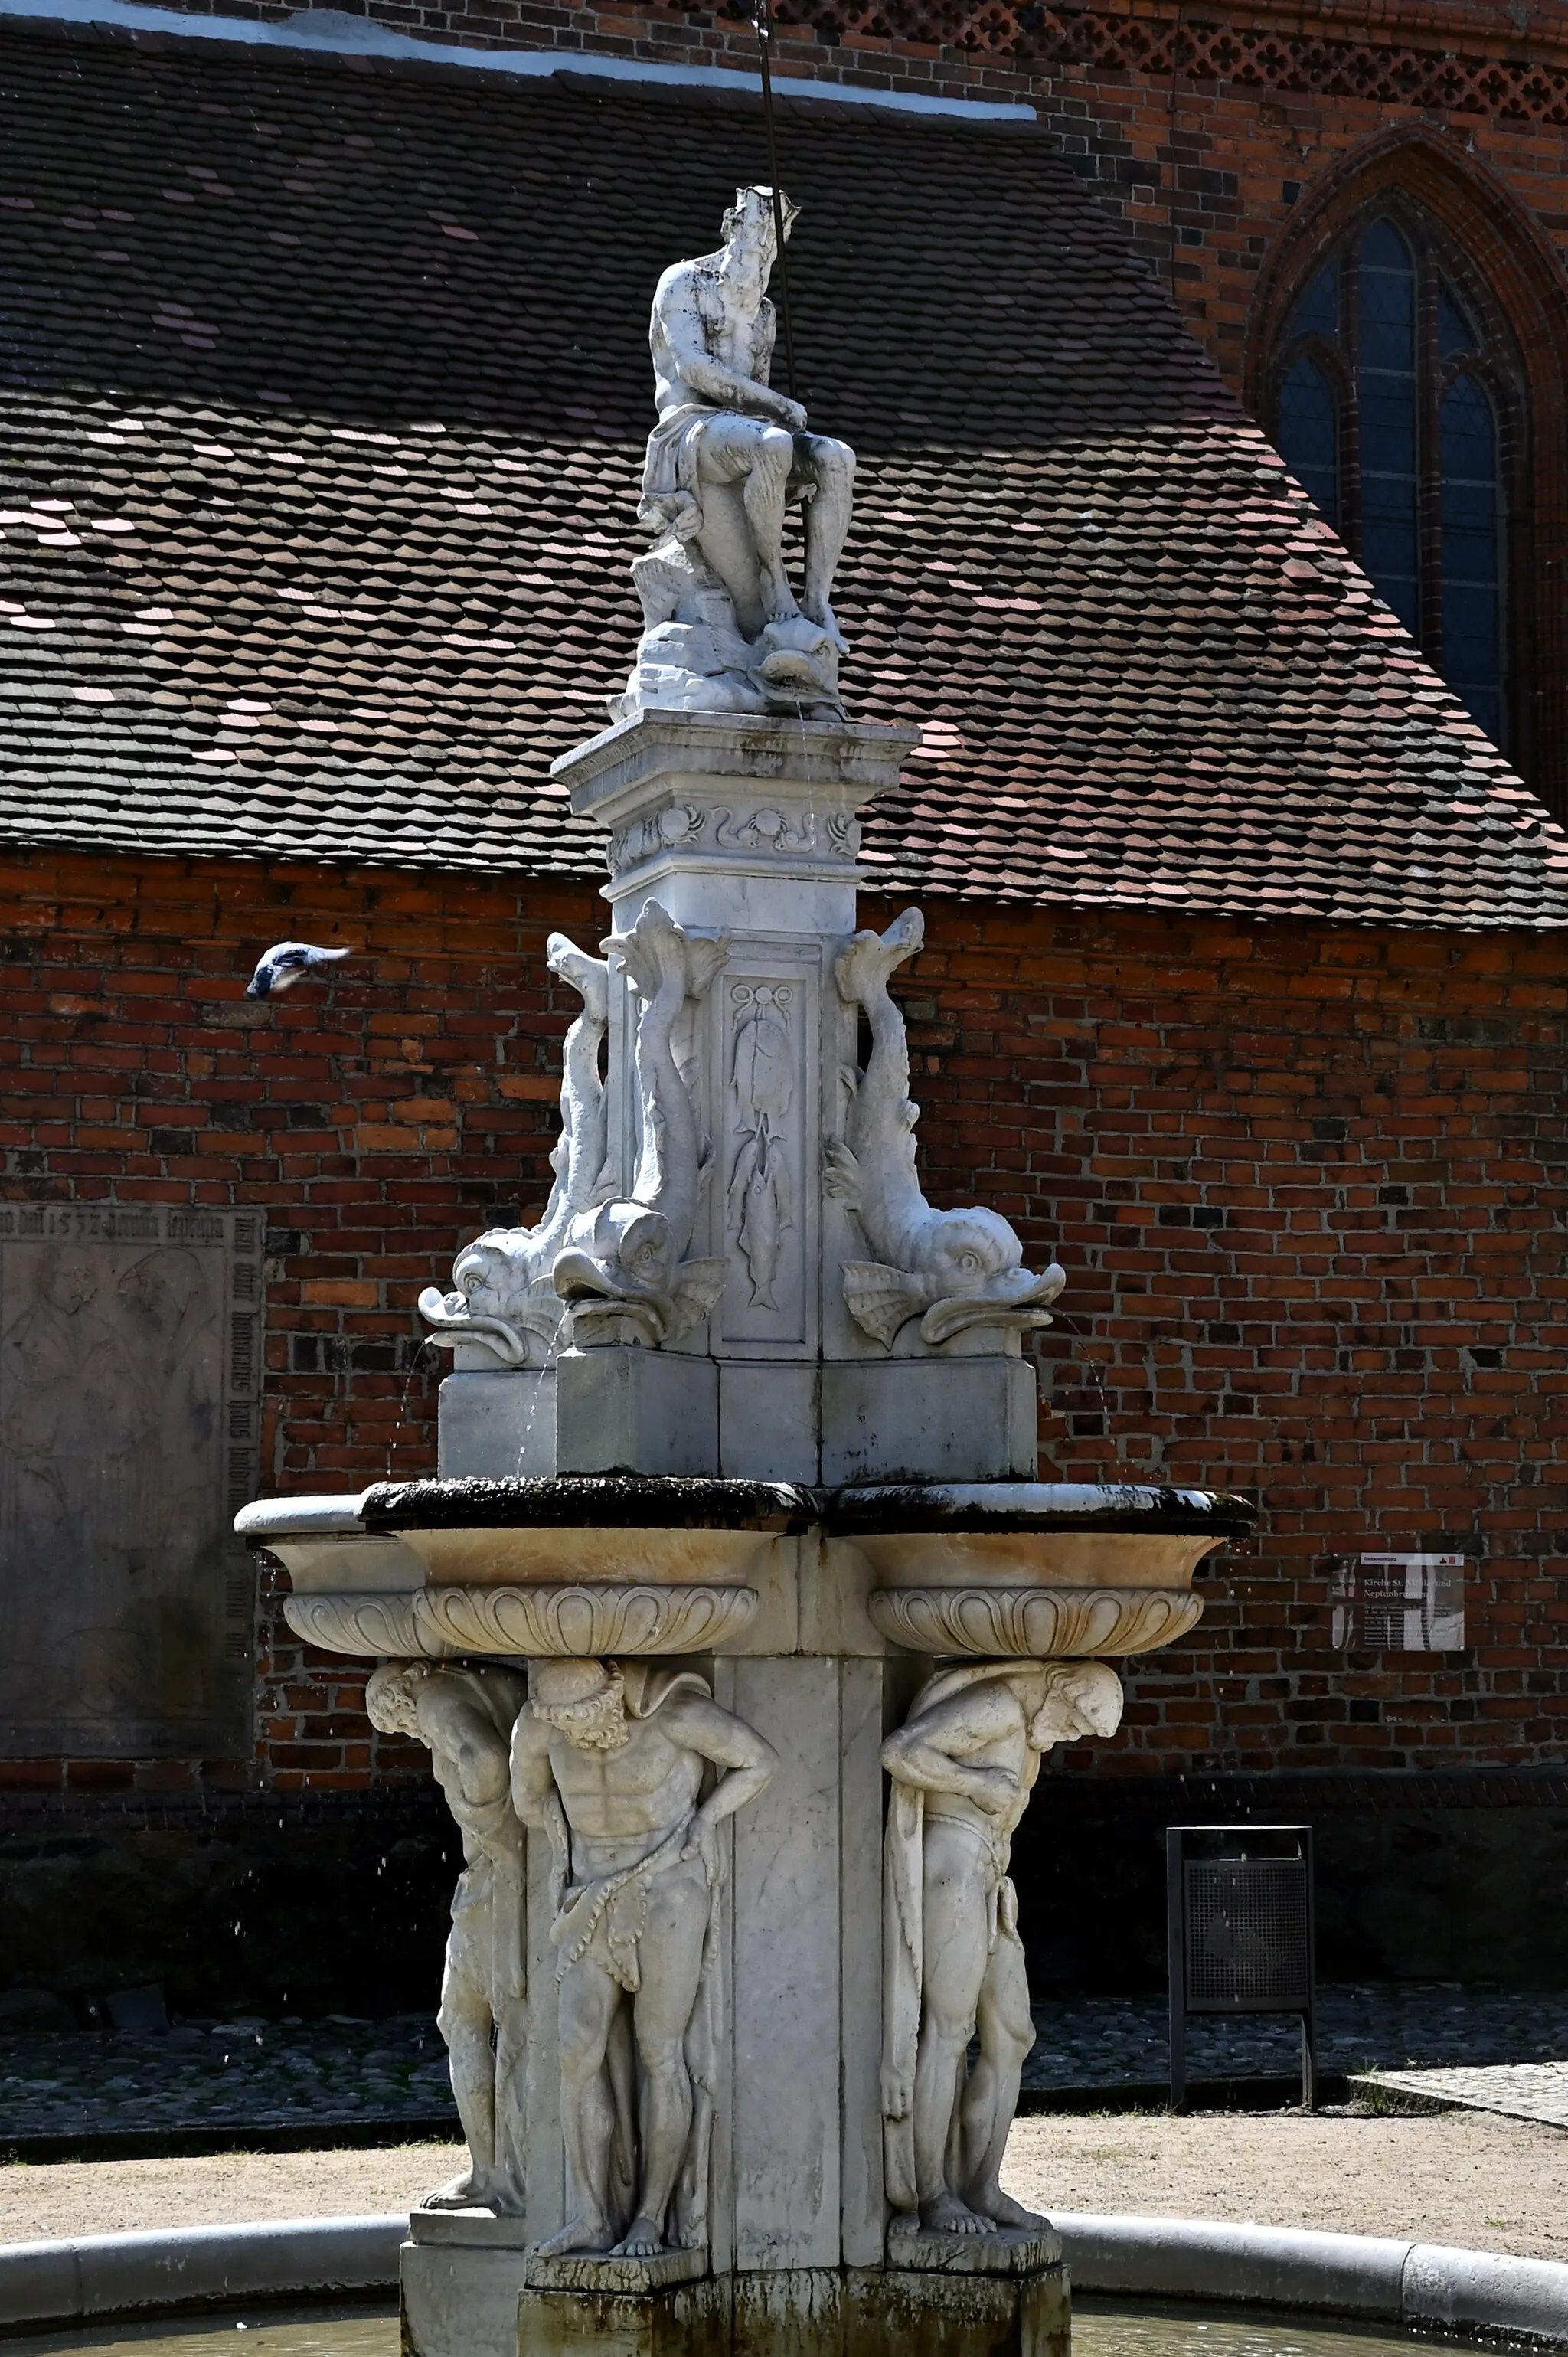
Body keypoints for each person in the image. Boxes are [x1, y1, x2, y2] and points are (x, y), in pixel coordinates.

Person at [510, 1656, 778, 2259]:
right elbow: (530, 1798)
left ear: (611, 1697)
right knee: (577, 2053)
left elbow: (759, 1759)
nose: (575, 1735)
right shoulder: (538, 1727)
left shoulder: (675, 1715)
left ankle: (651, 2219)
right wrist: (566, 1848)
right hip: (589, 1898)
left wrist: (707, 1820)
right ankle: (590, 2214)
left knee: (662, 2051)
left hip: (668, 1893)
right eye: (564, 1725)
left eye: (585, 1720)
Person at [880, 1659, 1124, 2236]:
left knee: (1013, 2033)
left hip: (987, 1879)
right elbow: (901, 1752)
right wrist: (974, 1783)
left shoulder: (1032, 1727)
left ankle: (982, 2185)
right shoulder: (998, 1706)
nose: (1072, 1736)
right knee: (945, 2033)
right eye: (1076, 1722)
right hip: (952, 1871)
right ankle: (933, 2193)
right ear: (1062, 1688)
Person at [641, 185, 854, 649]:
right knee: (773, 443)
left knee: (836, 457)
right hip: (689, 429)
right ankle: (773, 575)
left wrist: (775, 412)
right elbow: (694, 368)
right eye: (756, 231)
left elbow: (753, 388)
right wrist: (779, 407)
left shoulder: (763, 313)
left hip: (743, 432)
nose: (761, 248)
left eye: (771, 240)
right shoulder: (684, 281)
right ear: (731, 226)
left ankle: (817, 600)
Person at [365, 1660, 528, 2212]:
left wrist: (491, 1828)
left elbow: (481, 1758)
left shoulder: (434, 1698)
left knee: (468, 2020)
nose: (412, 1734)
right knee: (504, 2025)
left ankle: (493, 2173)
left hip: (496, 1879)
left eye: (403, 1728)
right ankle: (505, 2169)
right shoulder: (493, 1682)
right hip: (508, 1876)